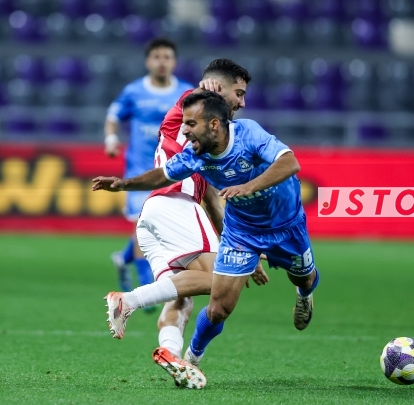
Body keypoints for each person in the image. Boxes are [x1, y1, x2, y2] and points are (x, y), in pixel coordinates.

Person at [92, 91, 320, 388]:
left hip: (286, 225)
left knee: (303, 278)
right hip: (229, 227)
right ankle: (189, 354)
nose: (185, 130)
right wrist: (124, 184)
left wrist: (249, 187)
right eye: (184, 123)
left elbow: (289, 164)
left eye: (191, 124)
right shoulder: (195, 154)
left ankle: (303, 295)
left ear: (213, 124)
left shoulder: (247, 133)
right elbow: (163, 175)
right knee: (219, 299)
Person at [97, 60, 268, 389]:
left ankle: (172, 355)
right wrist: (204, 90)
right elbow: (192, 99)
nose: (242, 102)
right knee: (220, 283)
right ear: (218, 88)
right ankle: (129, 300)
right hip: (176, 204)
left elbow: (214, 204)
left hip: (153, 217)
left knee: (180, 297)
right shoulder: (189, 107)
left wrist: (242, 250)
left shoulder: (206, 144)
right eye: (239, 93)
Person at [104, 37, 193, 296]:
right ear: (148, 61)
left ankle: (124, 259)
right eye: (157, 57)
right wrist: (111, 139)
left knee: (160, 227)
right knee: (143, 223)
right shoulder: (133, 91)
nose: (162, 62)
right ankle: (146, 285)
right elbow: (112, 117)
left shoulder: (187, 93)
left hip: (173, 170)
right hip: (139, 170)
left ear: (174, 62)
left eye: (167, 57)